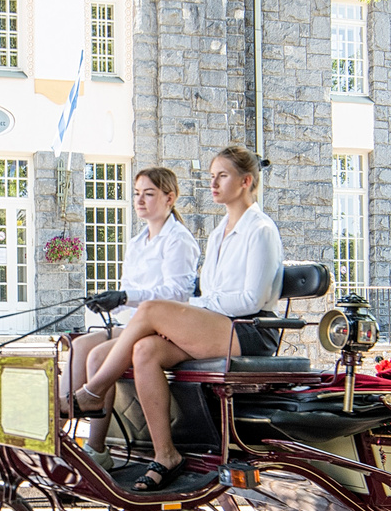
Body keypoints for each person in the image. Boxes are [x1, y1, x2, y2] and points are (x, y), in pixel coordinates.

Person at [66, 145, 284, 491]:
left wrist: (199, 306)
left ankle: (93, 392)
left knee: (151, 309)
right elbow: (208, 293)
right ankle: (165, 454)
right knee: (146, 351)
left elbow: (251, 299)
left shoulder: (261, 229)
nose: (213, 183)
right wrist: (199, 307)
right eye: (212, 176)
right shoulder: (218, 233)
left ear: (245, 181)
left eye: (221, 176)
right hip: (218, 322)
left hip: (251, 330)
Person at [70, 168, 201, 452]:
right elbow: (129, 296)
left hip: (165, 329)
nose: (140, 200)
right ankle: (60, 431)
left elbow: (177, 294)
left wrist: (125, 297)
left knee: (96, 357)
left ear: (170, 198)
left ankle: (96, 446)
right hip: (134, 325)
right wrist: (110, 303)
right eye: (137, 194)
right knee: (78, 347)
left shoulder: (178, 240)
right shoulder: (136, 243)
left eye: (149, 194)